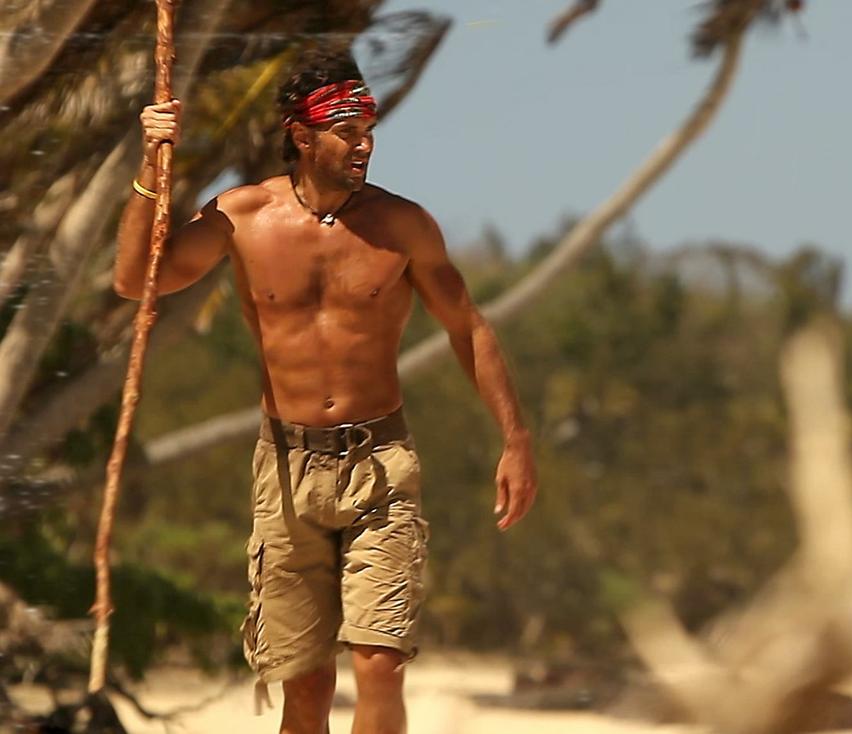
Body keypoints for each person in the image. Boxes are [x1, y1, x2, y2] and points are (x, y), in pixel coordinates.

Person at [114, 48, 538, 734]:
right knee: (306, 688)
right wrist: (149, 167)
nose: (363, 144)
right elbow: (136, 279)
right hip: (287, 470)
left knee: (381, 663)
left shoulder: (402, 226)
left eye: (368, 129)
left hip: (381, 466)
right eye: (346, 131)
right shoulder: (241, 216)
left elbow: (468, 326)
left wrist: (515, 438)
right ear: (302, 135)